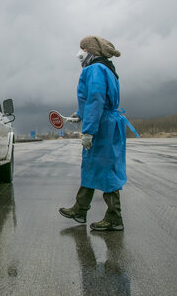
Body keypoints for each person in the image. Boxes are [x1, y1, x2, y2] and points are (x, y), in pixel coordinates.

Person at [59, 36, 138, 231]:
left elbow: (95, 99)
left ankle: (114, 218)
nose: (80, 52)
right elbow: (98, 101)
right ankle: (80, 209)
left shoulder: (94, 69)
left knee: (106, 169)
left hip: (102, 126)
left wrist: (89, 130)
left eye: (82, 48)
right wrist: (80, 114)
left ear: (90, 50)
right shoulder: (106, 68)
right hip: (106, 122)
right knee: (93, 167)